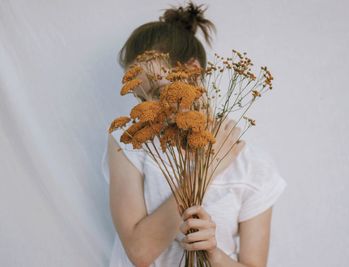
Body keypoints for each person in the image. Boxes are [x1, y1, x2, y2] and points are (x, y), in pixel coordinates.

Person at [101, 1, 287, 266]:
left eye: (157, 92)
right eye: (139, 98)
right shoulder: (128, 142)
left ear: (193, 72)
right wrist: (207, 167)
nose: (147, 110)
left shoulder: (253, 167)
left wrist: (214, 253)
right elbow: (140, 252)